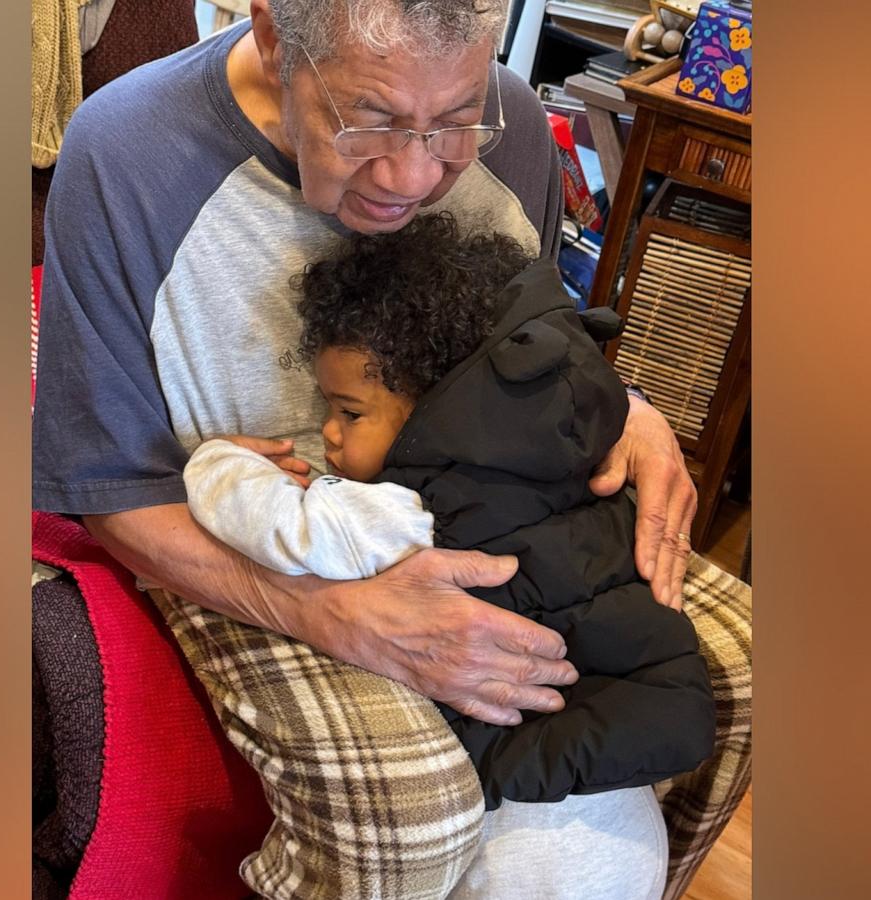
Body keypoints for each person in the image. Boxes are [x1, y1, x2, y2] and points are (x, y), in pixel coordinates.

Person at [31, 0, 700, 895]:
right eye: (369, 120)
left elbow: (533, 331)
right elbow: (106, 485)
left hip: (482, 502)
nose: (415, 173)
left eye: (455, 117)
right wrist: (327, 612)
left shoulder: (514, 130)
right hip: (254, 530)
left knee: (734, 689)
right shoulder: (127, 151)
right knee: (409, 808)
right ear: (274, 37)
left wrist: (630, 408)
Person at [184, 213, 718, 810]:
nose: (329, 434)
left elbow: (284, 530)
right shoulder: (575, 447)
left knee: (465, 778)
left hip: (530, 712)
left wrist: (218, 464)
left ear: (435, 409)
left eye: (350, 413)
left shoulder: (406, 510)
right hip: (654, 682)